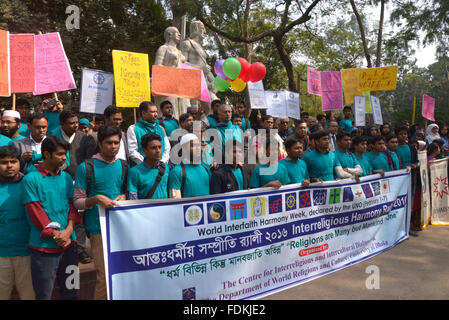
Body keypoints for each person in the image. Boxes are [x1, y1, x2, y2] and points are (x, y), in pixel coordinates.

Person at [22, 135, 81, 300]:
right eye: (60, 154)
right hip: (44, 249)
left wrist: (68, 231)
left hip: (71, 246)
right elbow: (35, 211)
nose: (64, 158)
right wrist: (56, 235)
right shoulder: (30, 179)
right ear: (46, 154)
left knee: (71, 290)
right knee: (44, 295)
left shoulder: (67, 178)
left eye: (65, 155)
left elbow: (73, 206)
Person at [74, 126, 127, 300]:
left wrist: (123, 196)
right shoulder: (86, 167)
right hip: (98, 230)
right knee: (104, 277)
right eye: (109, 143)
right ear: (100, 144)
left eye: (116, 143)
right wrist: (96, 199)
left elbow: (125, 192)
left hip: (121, 228)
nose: (113, 146)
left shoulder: (124, 166)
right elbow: (77, 202)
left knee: (121, 275)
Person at [0, 146, 34, 300]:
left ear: (19, 163)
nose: (9, 166)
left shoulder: (29, 183)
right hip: (1, 254)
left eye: (13, 161)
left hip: (26, 252)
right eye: (4, 162)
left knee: (28, 295)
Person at [127, 133, 169, 200]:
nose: (158, 151)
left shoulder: (166, 168)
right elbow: (133, 199)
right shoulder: (134, 172)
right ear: (144, 150)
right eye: (153, 148)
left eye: (160, 147)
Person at [127, 102, 170, 166]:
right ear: (144, 113)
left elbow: (167, 148)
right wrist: (147, 164)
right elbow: (132, 151)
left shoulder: (161, 128)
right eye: (153, 112)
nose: (156, 115)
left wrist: (162, 163)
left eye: (156, 112)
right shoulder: (133, 129)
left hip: (162, 168)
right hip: (142, 170)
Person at [168, 134, 210, 198]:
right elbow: (175, 201)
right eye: (193, 145)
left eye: (198, 145)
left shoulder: (205, 168)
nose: (197, 148)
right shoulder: (176, 171)